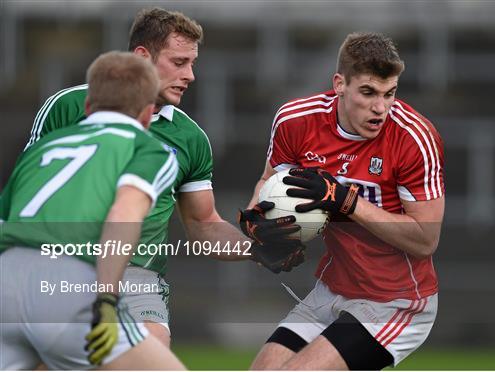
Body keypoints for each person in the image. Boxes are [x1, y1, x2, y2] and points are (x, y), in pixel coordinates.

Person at [22, 7, 302, 349]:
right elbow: (28, 196)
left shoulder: (189, 137)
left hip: (138, 277)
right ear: (142, 57)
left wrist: (258, 248)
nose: (191, 75)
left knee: (153, 350)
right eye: (179, 62)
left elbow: (204, 225)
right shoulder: (67, 107)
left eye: (193, 63)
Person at [241, 32, 445, 370]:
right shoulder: (295, 121)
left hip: (395, 302)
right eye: (367, 92)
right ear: (340, 84)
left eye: (389, 93)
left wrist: (345, 201)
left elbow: (426, 239)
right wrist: (260, 225)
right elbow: (270, 182)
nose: (380, 107)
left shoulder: (414, 138)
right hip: (331, 288)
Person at [0, 51, 185, 369]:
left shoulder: (44, 146)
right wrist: (107, 298)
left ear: (88, 107)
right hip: (67, 282)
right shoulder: (149, 149)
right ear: (147, 114)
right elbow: (124, 214)